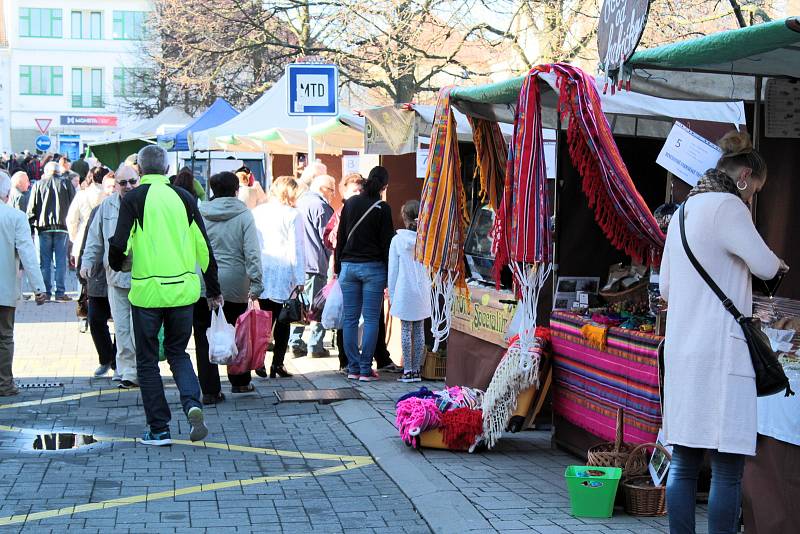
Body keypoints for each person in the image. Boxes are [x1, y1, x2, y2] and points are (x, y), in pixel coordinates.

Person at [660, 131, 789, 534]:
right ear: (745, 176)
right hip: (721, 354)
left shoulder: (682, 211)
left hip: (683, 351)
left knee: (683, 463)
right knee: (728, 467)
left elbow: (664, 287)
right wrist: (778, 264)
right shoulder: (730, 207)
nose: (753, 198)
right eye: (756, 191)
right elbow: (766, 266)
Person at [109, 145, 221, 446]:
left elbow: (119, 243)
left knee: (147, 361)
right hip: (183, 291)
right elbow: (204, 247)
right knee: (178, 353)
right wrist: (213, 290)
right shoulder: (184, 197)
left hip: (147, 292)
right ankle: (192, 403)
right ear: (167, 167)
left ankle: (158, 428)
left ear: (140, 170)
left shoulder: (133, 198)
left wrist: (117, 262)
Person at [195, 171, 264, 401]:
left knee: (204, 334)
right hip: (235, 282)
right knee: (238, 332)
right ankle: (240, 382)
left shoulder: (200, 213)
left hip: (204, 281)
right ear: (236, 190)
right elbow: (252, 252)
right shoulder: (244, 215)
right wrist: (256, 283)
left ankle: (210, 390)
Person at [82, 165, 141, 388]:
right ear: (115, 184)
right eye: (123, 183)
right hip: (115, 277)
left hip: (143, 278)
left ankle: (135, 369)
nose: (128, 186)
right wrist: (88, 261)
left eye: (132, 182)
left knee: (139, 328)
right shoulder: (106, 206)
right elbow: (94, 239)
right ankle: (126, 370)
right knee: (123, 327)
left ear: (139, 180)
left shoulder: (146, 202)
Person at [334, 166, 395, 382]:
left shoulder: (350, 203)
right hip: (373, 269)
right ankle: (365, 368)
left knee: (350, 319)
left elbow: (340, 238)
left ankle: (352, 367)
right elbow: (388, 245)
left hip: (348, 266)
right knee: (370, 319)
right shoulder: (382, 208)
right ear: (384, 186)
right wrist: (390, 274)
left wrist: (337, 267)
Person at [252, 176, 305, 379]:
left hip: (263, 269)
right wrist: (300, 277)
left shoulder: (258, 212)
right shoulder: (292, 214)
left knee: (263, 320)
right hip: (284, 271)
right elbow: (296, 247)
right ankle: (277, 364)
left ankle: (258, 360)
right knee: (283, 321)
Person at [0, 172, 47, 396]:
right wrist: (39, 288)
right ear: (8, 194)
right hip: (4, 290)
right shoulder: (15, 217)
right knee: (4, 337)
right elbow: (28, 254)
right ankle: (5, 384)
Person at [290, 174, 336, 358]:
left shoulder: (299, 203)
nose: (333, 195)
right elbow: (329, 238)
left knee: (300, 304)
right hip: (316, 263)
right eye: (332, 190)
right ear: (324, 189)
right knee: (317, 306)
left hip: (299, 263)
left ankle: (295, 342)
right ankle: (315, 345)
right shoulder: (321, 206)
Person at [388, 200, 430, 383]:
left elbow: (393, 270)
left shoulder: (397, 241)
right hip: (422, 289)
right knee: (419, 330)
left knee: (406, 329)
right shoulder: (425, 239)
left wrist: (391, 293)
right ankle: (417, 371)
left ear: (404, 217)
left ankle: (407, 370)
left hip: (404, 289)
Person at [77, 206, 116, 381]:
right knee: (96, 321)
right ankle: (106, 358)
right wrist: (82, 268)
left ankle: (117, 362)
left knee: (123, 325)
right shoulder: (98, 211)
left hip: (120, 275)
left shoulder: (130, 206)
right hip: (98, 276)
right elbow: (88, 241)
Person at [27, 161, 76, 301]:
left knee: (44, 262)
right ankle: (60, 292)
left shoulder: (38, 184)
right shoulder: (67, 184)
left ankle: (46, 292)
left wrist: (31, 226)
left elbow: (31, 209)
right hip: (62, 227)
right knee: (61, 261)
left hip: (43, 228)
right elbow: (73, 206)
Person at [66, 166, 110, 264]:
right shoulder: (110, 196)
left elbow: (71, 219)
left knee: (82, 276)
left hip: (82, 239)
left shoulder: (81, 195)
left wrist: (74, 238)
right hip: (105, 243)